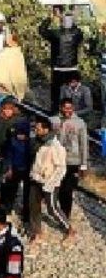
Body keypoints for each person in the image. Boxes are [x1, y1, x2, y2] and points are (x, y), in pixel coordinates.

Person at [26, 116, 68, 242]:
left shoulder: (55, 146)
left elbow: (61, 168)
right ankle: (36, 232)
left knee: (52, 209)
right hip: (35, 178)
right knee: (33, 206)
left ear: (46, 129)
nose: (35, 130)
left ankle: (69, 229)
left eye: (38, 128)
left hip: (49, 182)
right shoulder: (37, 141)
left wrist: (50, 184)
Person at [53, 98, 88, 240]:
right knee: (59, 187)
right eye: (65, 108)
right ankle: (60, 212)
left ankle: (66, 217)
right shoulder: (55, 120)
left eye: (70, 108)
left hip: (73, 161)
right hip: (58, 160)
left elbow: (83, 144)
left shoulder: (80, 123)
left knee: (68, 190)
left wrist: (84, 164)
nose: (68, 111)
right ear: (61, 108)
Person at [41, 10, 84, 107]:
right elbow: (79, 32)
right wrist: (73, 19)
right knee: (72, 96)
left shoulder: (56, 34)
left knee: (56, 96)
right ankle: (72, 116)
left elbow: (42, 30)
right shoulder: (77, 34)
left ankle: (55, 114)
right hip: (72, 68)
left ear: (62, 22)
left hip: (58, 69)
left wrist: (51, 18)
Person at [0, 34, 28, 106]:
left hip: (0, 89)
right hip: (11, 93)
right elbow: (18, 76)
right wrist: (20, 95)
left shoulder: (1, 54)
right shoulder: (17, 55)